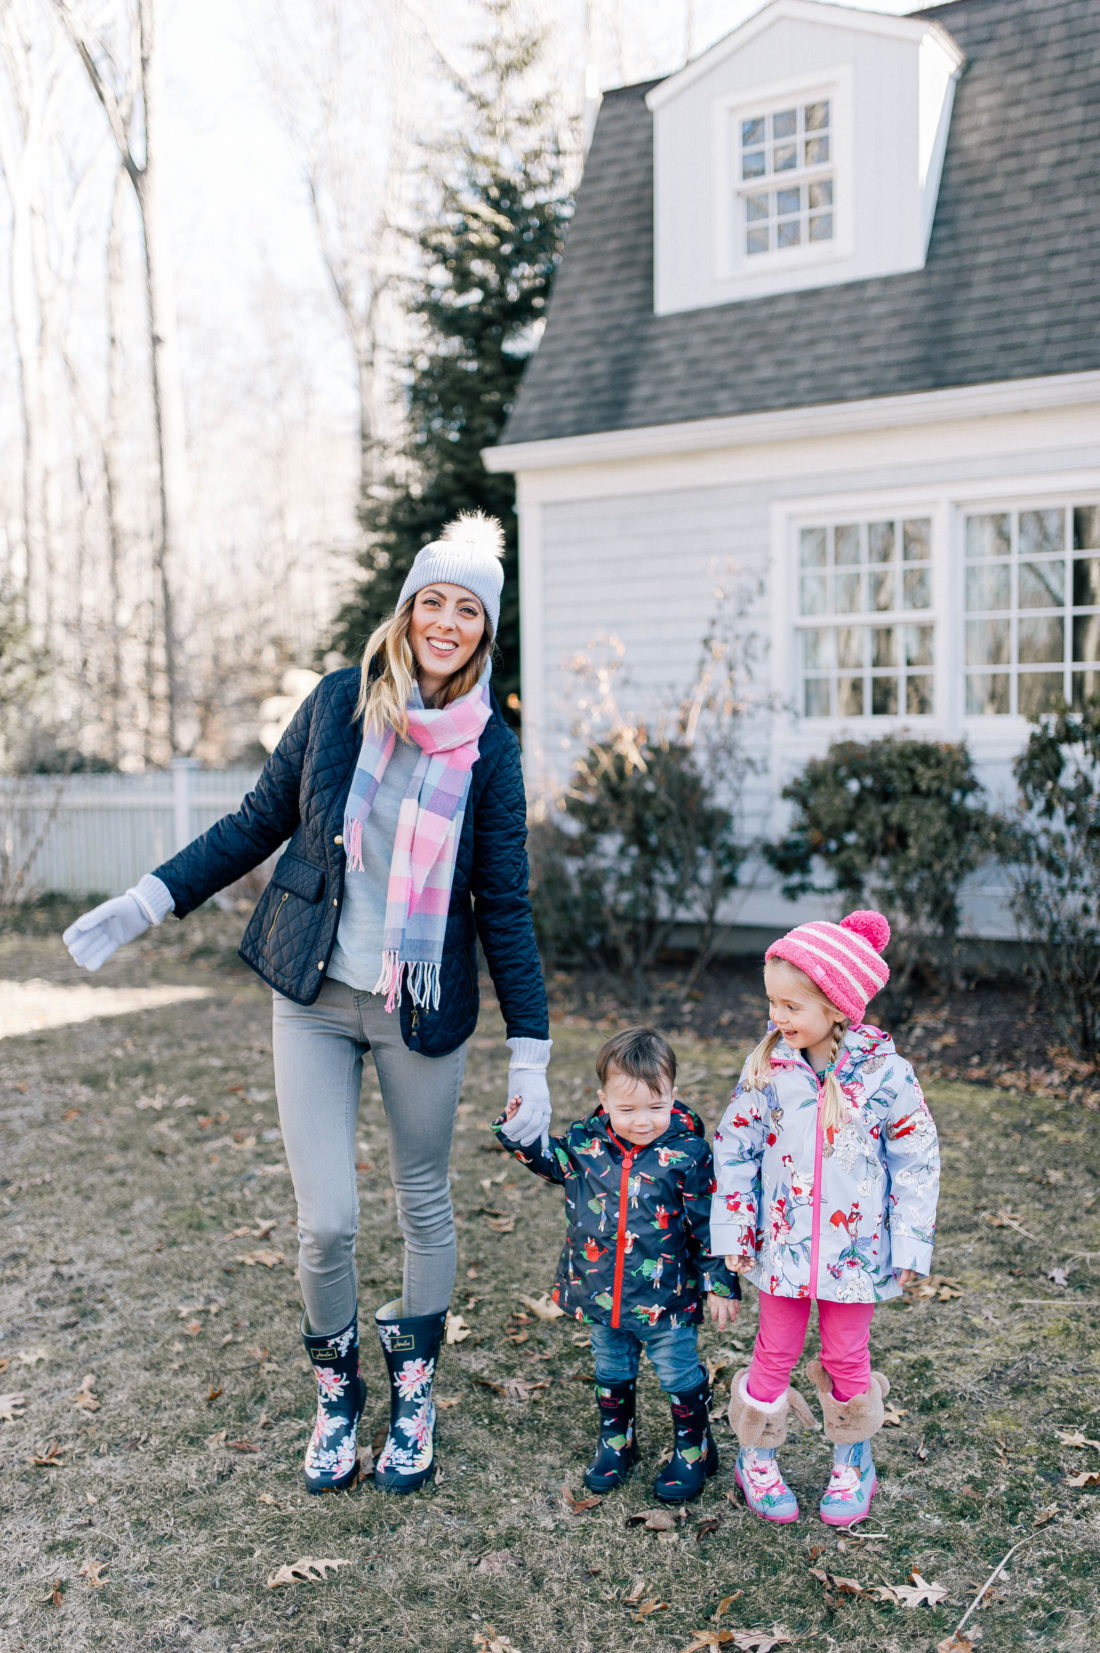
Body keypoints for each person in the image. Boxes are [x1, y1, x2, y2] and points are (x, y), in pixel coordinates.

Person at [63, 512, 552, 1495]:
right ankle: (339, 1397)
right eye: (432, 603)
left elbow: (502, 901)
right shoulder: (339, 706)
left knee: (423, 1204)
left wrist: (529, 1054)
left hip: (421, 1008)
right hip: (316, 997)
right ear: (407, 612)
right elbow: (255, 823)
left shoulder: (489, 752)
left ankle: (413, 1394)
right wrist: (149, 899)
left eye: (467, 610)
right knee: (326, 1221)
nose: (445, 623)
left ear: (485, 633)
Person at [711, 910, 939, 1526]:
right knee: (773, 1352)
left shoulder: (886, 1076)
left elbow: (916, 1159)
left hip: (856, 1254)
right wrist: (735, 1232)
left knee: (846, 1356)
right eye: (773, 1003)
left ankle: (851, 1455)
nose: (776, 1018)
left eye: (790, 1006)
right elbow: (734, 1150)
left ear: (837, 1007)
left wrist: (910, 1243)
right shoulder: (767, 1070)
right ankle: (755, 1457)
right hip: (782, 1248)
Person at [493, 1027, 740, 1503]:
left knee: (677, 1372)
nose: (643, 1121)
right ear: (603, 1099)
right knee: (611, 1366)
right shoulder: (586, 1145)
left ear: (674, 1093)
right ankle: (616, 1441)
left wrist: (720, 1283)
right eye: (627, 1110)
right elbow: (550, 1161)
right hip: (600, 1287)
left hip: (666, 1298)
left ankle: (693, 1447)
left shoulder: (687, 1154)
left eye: (656, 1106)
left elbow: (708, 1223)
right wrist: (516, 1134)